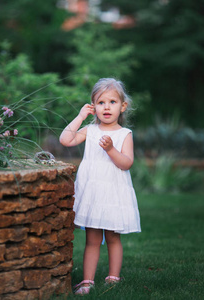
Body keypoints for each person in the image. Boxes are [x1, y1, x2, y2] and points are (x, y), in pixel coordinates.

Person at [59, 78, 141, 295]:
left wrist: (111, 149)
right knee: (92, 238)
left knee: (113, 236)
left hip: (113, 192)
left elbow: (126, 163)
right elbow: (66, 140)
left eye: (112, 102)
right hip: (93, 193)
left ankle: (113, 277)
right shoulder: (90, 130)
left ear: (122, 107)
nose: (106, 107)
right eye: (101, 102)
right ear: (93, 106)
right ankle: (87, 282)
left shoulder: (124, 134)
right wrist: (80, 117)